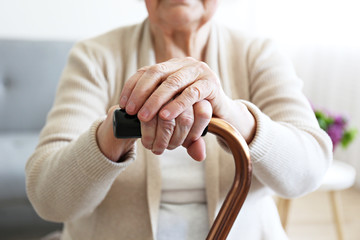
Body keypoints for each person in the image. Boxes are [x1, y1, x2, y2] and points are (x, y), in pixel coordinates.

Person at [26, 0, 332, 239]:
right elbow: (49, 199)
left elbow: (309, 171)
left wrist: (229, 112)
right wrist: (115, 130)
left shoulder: (259, 53)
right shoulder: (94, 55)